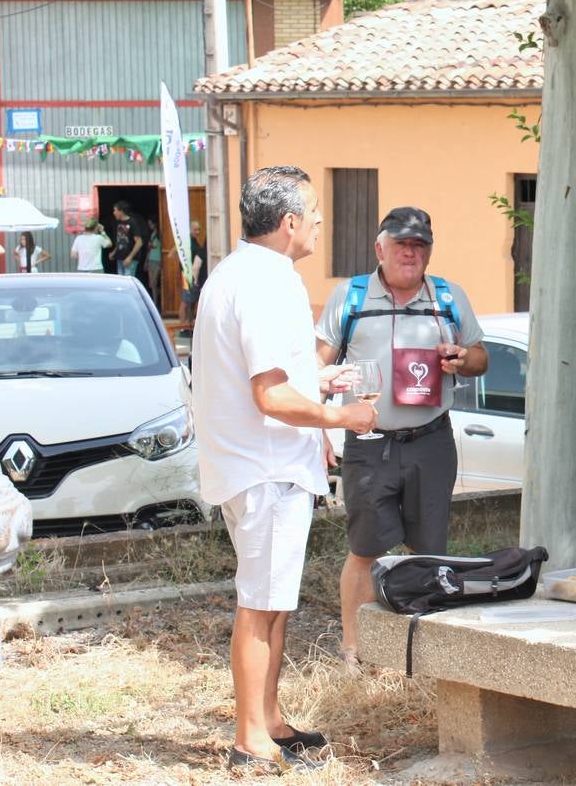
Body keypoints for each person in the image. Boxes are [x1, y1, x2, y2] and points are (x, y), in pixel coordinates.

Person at [191, 166, 376, 773]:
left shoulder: (238, 272)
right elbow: (269, 397)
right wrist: (338, 415)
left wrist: (315, 383)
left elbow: (264, 378)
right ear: (290, 221)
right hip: (265, 466)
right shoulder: (267, 283)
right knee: (260, 605)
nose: (322, 221)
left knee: (274, 601)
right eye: (316, 211)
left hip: (258, 463)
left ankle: (268, 719)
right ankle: (250, 740)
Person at [314, 206, 489, 668]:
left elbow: (480, 358)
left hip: (431, 440)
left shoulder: (448, 297)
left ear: (429, 252)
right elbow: (316, 366)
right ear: (380, 248)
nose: (410, 253)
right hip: (369, 443)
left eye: (420, 246)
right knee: (365, 549)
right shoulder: (350, 297)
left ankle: (420, 649)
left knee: (429, 551)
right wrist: (325, 416)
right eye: (401, 245)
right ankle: (354, 648)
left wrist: (460, 358)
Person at [179, 218, 207, 327]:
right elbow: (174, 252)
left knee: (192, 302)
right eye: (196, 229)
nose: (198, 232)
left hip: (193, 276)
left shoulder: (195, 242)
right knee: (185, 301)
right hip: (187, 275)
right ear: (190, 230)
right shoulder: (186, 241)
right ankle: (182, 326)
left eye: (199, 230)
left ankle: (189, 325)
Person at [108, 200, 148, 278]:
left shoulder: (132, 223)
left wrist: (130, 257)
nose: (114, 213)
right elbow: (120, 240)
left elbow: (139, 242)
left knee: (128, 282)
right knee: (120, 281)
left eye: (115, 210)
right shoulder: (119, 223)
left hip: (130, 259)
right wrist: (114, 252)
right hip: (120, 257)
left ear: (121, 211)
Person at [145, 217, 162, 302]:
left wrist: (150, 245)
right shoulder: (153, 234)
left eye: (150, 224)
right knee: (151, 283)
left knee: (153, 282)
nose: (149, 226)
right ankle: (154, 300)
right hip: (152, 259)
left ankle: (155, 301)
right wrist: (146, 261)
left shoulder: (159, 234)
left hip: (157, 260)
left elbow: (153, 246)